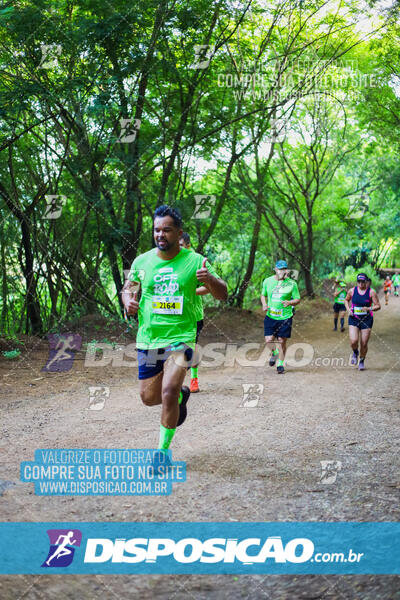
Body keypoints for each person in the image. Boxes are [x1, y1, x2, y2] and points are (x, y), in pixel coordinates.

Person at [121, 205, 227, 465]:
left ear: (178, 233)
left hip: (182, 337)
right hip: (148, 338)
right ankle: (182, 395)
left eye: (167, 230)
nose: (161, 234)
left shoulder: (195, 261)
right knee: (148, 398)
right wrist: (127, 302)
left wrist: (210, 279)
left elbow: (223, 294)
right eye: (157, 230)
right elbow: (128, 289)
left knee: (168, 390)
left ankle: (162, 453)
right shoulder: (142, 262)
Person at [179, 232, 209, 393]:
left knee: (190, 349)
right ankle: (174, 382)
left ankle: (194, 379)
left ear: (188, 245)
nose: (178, 249)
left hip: (193, 315)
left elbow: (209, 287)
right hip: (169, 316)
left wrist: (192, 292)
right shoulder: (165, 260)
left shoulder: (196, 260)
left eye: (181, 246)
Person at [260, 260, 301, 374]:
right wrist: (264, 304)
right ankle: (274, 353)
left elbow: (297, 299)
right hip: (271, 316)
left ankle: (280, 364)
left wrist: (290, 302)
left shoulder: (292, 283)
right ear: (275, 269)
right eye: (280, 269)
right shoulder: (267, 281)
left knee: (282, 341)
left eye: (284, 269)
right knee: (268, 340)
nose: (282, 271)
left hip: (285, 317)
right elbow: (263, 295)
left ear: (286, 270)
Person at [344, 273, 381, 371]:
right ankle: (355, 352)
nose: (360, 284)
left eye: (362, 282)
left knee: (364, 343)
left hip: (367, 320)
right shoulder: (352, 291)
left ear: (366, 282)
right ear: (357, 282)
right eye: (359, 282)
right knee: (353, 341)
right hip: (354, 318)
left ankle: (361, 361)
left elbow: (378, 306)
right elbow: (346, 300)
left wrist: (369, 308)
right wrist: (348, 310)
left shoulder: (371, 292)